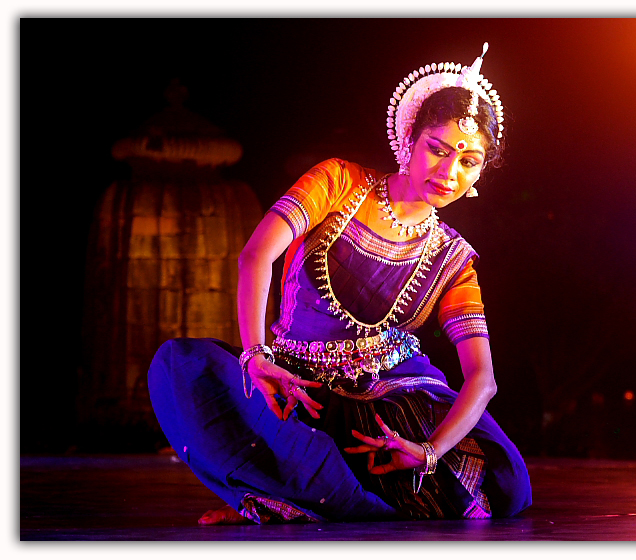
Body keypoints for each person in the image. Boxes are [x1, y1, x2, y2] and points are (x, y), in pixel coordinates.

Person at [148, 44, 532, 524]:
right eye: (437, 149)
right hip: (295, 384)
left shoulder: (453, 258)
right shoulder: (337, 183)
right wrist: (256, 356)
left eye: (469, 161)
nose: (448, 173)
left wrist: (428, 451)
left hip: (389, 397)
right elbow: (255, 256)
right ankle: (296, 493)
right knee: (188, 371)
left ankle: (291, 499)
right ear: (409, 140)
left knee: (506, 483)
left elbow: (483, 379)